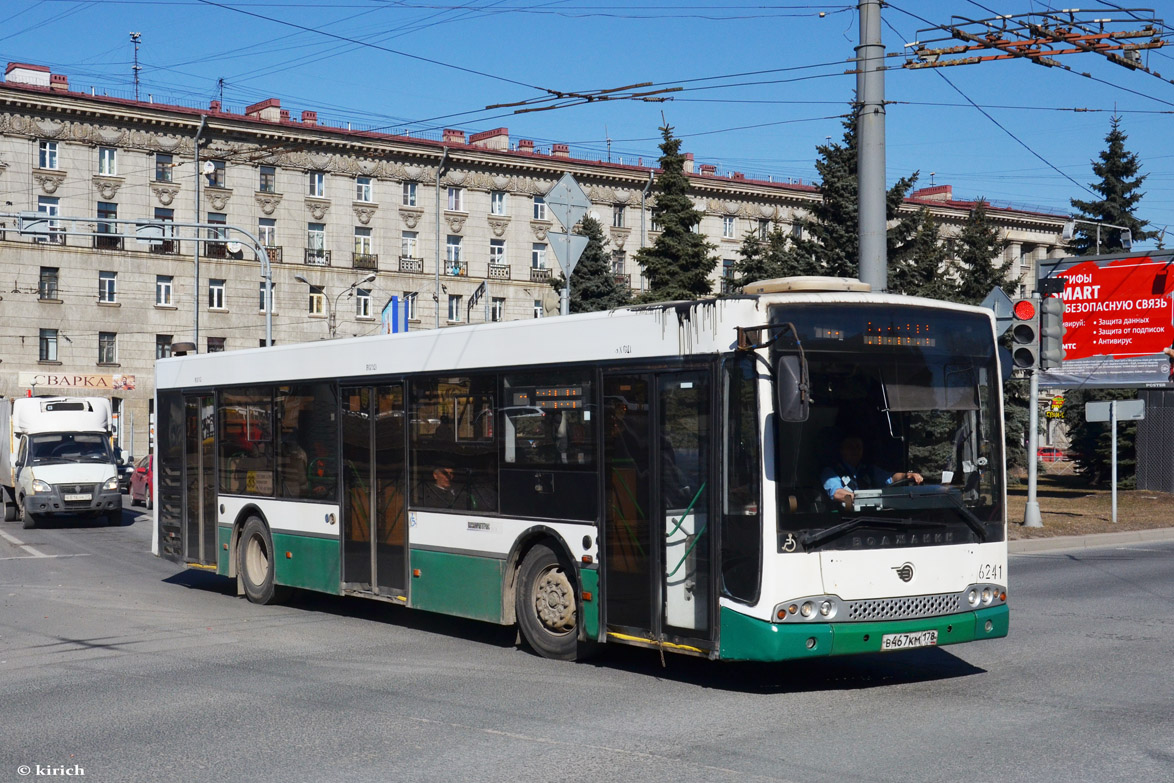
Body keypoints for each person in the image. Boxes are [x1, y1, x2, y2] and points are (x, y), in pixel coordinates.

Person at [820, 435, 923, 507]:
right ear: (841, 450)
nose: (855, 451)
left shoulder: (869, 470)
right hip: (845, 519)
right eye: (850, 447)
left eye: (858, 447)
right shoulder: (831, 472)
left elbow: (891, 478)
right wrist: (860, 498)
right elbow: (837, 494)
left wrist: (907, 475)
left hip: (872, 515)